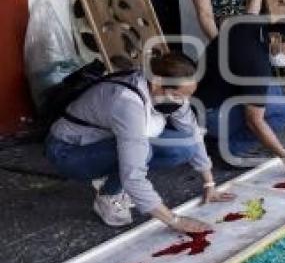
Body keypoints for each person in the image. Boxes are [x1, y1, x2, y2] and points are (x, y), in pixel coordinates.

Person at [45, 53, 232, 230]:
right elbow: (133, 173)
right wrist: (174, 220)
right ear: (158, 83)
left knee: (184, 147)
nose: (183, 102)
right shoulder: (127, 103)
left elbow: (192, 133)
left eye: (188, 96)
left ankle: (110, 177)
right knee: (143, 153)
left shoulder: (170, 92)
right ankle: (108, 196)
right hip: (68, 152)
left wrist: (210, 184)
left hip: (105, 141)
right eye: (177, 96)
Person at [196, 19, 285, 172]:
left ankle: (225, 137)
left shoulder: (252, 25)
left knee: (274, 90)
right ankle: (229, 150)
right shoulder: (256, 66)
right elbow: (254, 121)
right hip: (209, 115)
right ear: (275, 38)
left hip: (203, 92)